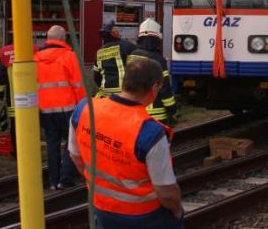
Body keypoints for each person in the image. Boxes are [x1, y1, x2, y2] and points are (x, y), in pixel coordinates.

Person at [69, 57, 184, 229]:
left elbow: (75, 156)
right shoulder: (150, 133)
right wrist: (177, 211)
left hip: (101, 208)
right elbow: (166, 191)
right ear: (154, 88)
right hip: (144, 216)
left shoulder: (85, 109)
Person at [35, 25, 86, 190]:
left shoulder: (36, 58)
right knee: (72, 143)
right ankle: (65, 179)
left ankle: (52, 180)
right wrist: (82, 109)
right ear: (63, 39)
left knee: (52, 144)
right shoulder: (69, 57)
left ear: (48, 39)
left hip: (46, 110)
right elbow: (79, 85)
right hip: (68, 109)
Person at [0, 36, 38, 157]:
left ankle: (17, 152)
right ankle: (30, 150)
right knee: (31, 124)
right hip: (32, 97)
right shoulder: (33, 50)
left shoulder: (4, 53)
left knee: (15, 125)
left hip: (13, 99)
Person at [128, 18, 176, 125]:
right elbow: (164, 88)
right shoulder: (157, 59)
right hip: (156, 114)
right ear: (156, 40)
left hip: (134, 110)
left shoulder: (132, 56)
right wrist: (172, 109)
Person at [93, 21, 137, 97]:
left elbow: (96, 76)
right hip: (124, 94)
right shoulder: (127, 46)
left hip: (105, 94)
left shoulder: (99, 52)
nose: (118, 32)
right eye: (116, 30)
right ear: (113, 33)